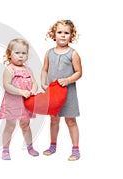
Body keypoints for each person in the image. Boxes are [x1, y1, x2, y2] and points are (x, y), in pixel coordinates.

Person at [41, 19, 82, 161]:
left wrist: (68, 80)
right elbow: (45, 70)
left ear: (71, 35)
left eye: (66, 33)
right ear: (54, 34)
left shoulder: (73, 53)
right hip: (53, 93)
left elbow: (79, 72)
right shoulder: (49, 53)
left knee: (71, 121)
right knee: (53, 120)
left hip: (68, 94)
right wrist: (43, 83)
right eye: (60, 32)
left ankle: (75, 149)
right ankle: (52, 145)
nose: (63, 35)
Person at [0, 38, 39, 160]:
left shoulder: (28, 69)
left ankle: (30, 147)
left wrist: (33, 89)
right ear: (9, 54)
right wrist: (20, 91)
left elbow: (34, 82)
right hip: (12, 103)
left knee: (26, 124)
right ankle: (5, 150)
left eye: (24, 53)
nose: (21, 56)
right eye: (17, 53)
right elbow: (7, 85)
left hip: (26, 103)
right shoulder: (9, 69)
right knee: (10, 125)